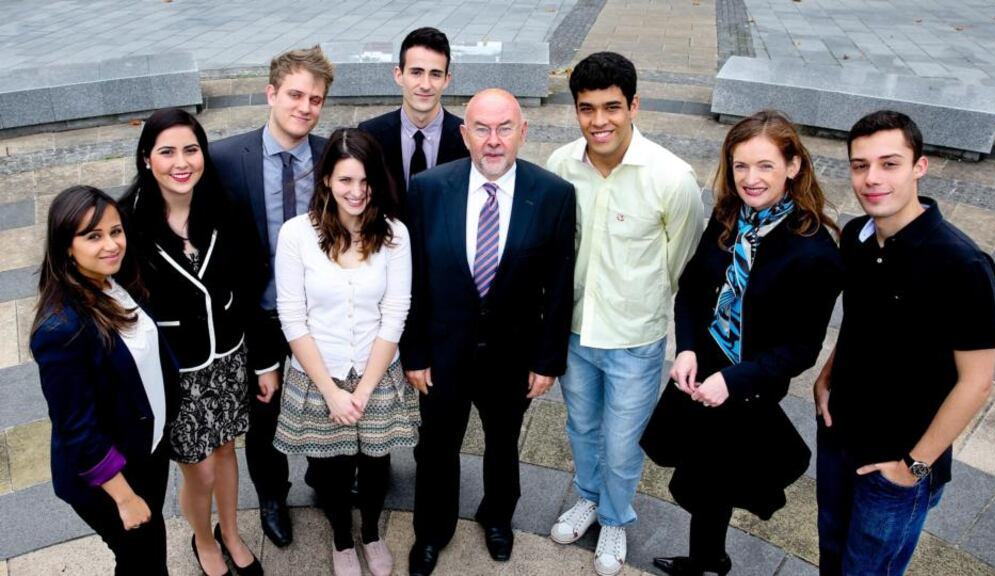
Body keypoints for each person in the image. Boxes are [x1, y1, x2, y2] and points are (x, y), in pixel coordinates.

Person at [639, 110, 843, 575]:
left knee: (715, 478)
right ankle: (709, 559)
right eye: (741, 166)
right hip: (703, 369)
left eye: (765, 165)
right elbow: (694, 288)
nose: (751, 179)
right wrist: (686, 347)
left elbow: (800, 349)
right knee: (703, 476)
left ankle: (708, 561)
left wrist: (732, 381)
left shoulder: (815, 252)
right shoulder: (729, 215)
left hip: (748, 385)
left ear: (793, 166)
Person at [814, 110, 995, 575]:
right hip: (840, 439)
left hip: (897, 463)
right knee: (831, 559)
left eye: (889, 163)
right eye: (860, 165)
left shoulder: (962, 264)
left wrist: (912, 469)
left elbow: (977, 383)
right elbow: (861, 319)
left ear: (920, 166)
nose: (872, 178)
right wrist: (827, 375)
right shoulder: (857, 236)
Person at [401, 88, 576, 576]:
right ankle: (431, 531)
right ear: (465, 134)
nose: (493, 140)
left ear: (523, 132)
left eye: (504, 129)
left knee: (503, 444)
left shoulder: (555, 194)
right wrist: (414, 352)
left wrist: (547, 361)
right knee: (437, 447)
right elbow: (413, 278)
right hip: (443, 353)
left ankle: (498, 517)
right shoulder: (429, 188)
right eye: (482, 128)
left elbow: (559, 285)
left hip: (512, 355)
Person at [544, 51, 705, 576]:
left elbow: (683, 265)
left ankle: (615, 517)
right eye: (586, 108)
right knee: (582, 428)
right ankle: (589, 497)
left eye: (611, 107)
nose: (599, 121)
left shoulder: (672, 178)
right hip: (575, 332)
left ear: (634, 105)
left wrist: (660, 321)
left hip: (634, 338)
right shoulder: (561, 166)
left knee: (621, 442)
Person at [120, 108, 265, 576]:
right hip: (175, 370)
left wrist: (263, 360)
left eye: (191, 150)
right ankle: (203, 539)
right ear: (147, 158)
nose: (181, 163)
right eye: (167, 152)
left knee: (226, 452)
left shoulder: (224, 206)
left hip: (228, 357)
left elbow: (249, 279)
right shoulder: (126, 222)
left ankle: (231, 533)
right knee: (198, 469)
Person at [272, 128, 419, 576]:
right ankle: (341, 539)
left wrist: (366, 389)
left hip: (376, 372)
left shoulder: (394, 235)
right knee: (330, 469)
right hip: (320, 374)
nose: (356, 191)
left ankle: (371, 532)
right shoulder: (297, 235)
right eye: (345, 180)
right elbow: (292, 316)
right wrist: (332, 392)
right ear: (327, 181)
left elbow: (395, 314)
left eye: (365, 180)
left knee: (376, 464)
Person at [210, 45, 335, 548]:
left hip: (320, 316)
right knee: (264, 415)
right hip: (257, 315)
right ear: (271, 93)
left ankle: (325, 480)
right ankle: (272, 496)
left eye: (315, 99)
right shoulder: (224, 159)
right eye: (295, 95)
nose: (305, 107)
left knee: (326, 402)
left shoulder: (333, 156)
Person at [31, 185, 180, 575]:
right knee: (141, 563)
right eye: (93, 236)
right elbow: (77, 430)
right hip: (110, 478)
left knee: (148, 552)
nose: (111, 245)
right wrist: (125, 499)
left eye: (116, 231)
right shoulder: (61, 329)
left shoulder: (113, 281)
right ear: (66, 246)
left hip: (145, 451)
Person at [358, 27, 469, 209]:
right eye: (416, 72)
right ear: (399, 75)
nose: (425, 85)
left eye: (435, 74)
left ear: (447, 80)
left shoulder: (467, 138)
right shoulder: (369, 135)